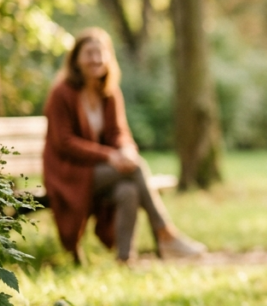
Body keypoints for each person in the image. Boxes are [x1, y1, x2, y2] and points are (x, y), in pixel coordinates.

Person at [43, 27, 207, 264]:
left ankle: (125, 259)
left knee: (128, 190)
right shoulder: (62, 93)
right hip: (68, 174)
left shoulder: (109, 93)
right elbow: (64, 142)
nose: (95, 59)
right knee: (136, 167)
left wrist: (126, 150)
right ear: (76, 59)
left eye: (100, 53)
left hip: (98, 170)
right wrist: (110, 156)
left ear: (109, 58)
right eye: (89, 53)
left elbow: (119, 132)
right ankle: (165, 232)